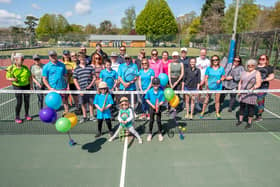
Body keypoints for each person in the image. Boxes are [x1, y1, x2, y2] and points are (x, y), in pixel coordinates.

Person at [6, 53, 32, 124]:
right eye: (21, 59)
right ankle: (17, 117)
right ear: (16, 60)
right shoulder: (11, 68)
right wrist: (13, 79)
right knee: (19, 102)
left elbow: (30, 77)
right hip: (17, 86)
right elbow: (7, 77)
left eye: (23, 59)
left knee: (27, 101)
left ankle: (27, 114)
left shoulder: (25, 67)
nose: (23, 60)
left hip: (26, 85)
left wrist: (31, 86)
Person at [237, 59, 262, 128]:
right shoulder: (243, 72)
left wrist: (252, 88)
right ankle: (240, 120)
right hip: (243, 93)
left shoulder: (257, 73)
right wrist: (239, 91)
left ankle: (249, 122)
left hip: (251, 94)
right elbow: (240, 82)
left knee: (251, 108)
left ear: (255, 66)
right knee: (242, 107)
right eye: (248, 65)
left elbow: (258, 84)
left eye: (252, 65)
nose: (250, 66)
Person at [200, 55, 225, 120]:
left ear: (218, 60)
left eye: (216, 60)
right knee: (207, 99)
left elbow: (223, 77)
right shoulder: (208, 68)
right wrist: (207, 85)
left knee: (217, 101)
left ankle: (217, 113)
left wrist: (220, 80)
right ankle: (202, 112)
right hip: (209, 87)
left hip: (218, 87)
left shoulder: (221, 68)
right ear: (212, 61)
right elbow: (206, 78)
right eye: (213, 60)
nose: (215, 61)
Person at [73, 53, 96, 123]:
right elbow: (75, 80)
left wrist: (90, 85)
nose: (82, 59)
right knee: (83, 103)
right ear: (79, 59)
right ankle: (84, 116)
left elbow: (94, 78)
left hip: (90, 89)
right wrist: (79, 89)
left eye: (83, 58)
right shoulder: (76, 69)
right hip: (81, 89)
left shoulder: (90, 67)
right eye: (81, 58)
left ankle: (92, 116)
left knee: (91, 103)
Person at [255, 54, 275, 122]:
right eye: (260, 58)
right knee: (252, 100)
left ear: (266, 60)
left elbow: (272, 77)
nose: (261, 60)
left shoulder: (268, 68)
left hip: (263, 87)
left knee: (260, 100)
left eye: (263, 59)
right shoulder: (255, 66)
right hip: (254, 87)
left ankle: (259, 115)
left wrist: (263, 80)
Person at [145, 77, 165, 142]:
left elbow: (163, 100)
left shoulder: (161, 92)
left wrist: (158, 105)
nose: (155, 85)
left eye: (157, 84)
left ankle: (160, 133)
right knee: (151, 120)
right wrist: (152, 105)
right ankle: (150, 133)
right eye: (154, 84)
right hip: (151, 107)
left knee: (158, 121)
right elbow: (147, 99)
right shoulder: (149, 91)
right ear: (152, 84)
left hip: (158, 107)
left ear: (159, 84)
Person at [62, 50, 79, 114]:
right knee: (65, 98)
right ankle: (66, 110)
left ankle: (77, 108)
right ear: (63, 55)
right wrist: (69, 71)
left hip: (72, 83)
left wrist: (68, 71)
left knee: (75, 97)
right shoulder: (61, 64)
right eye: (65, 55)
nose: (66, 56)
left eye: (67, 55)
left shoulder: (73, 63)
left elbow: (74, 71)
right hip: (64, 84)